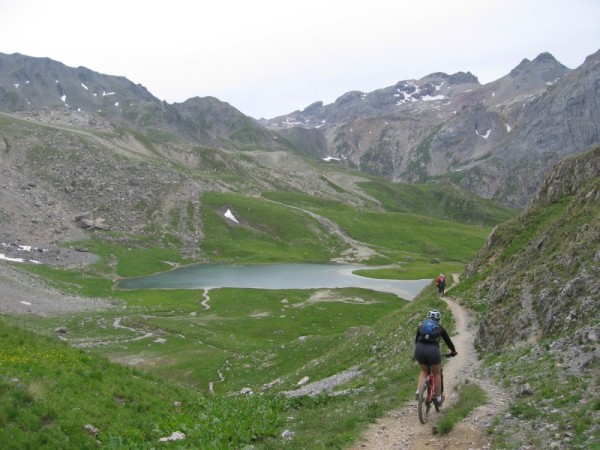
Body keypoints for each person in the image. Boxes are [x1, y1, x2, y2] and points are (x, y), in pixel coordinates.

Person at [414, 309, 457, 406]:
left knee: (424, 371)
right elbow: (448, 342)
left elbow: (416, 342)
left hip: (420, 349)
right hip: (433, 351)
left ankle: (418, 391)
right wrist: (453, 351)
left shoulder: (421, 327)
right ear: (438, 319)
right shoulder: (440, 328)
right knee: (436, 373)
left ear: (428, 318)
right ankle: (438, 398)